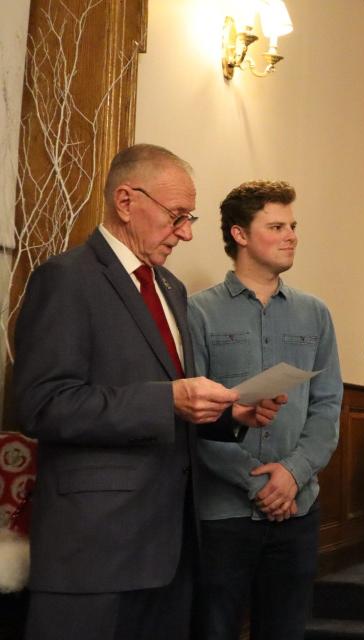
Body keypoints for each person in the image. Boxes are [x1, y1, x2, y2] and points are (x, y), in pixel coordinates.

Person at [13, 144, 284, 640]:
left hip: (172, 546)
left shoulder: (171, 288)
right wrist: (167, 400)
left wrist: (231, 414)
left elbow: (178, 399)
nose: (186, 231)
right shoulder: (66, 279)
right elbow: (41, 404)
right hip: (93, 550)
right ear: (125, 201)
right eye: (177, 216)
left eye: (189, 217)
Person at [189, 180, 343, 640]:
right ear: (239, 234)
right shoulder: (196, 313)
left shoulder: (315, 314)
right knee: (212, 629)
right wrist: (258, 483)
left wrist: (292, 474)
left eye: (292, 226)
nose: (291, 235)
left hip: (298, 508)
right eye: (276, 226)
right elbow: (192, 416)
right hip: (224, 513)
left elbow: (328, 404)